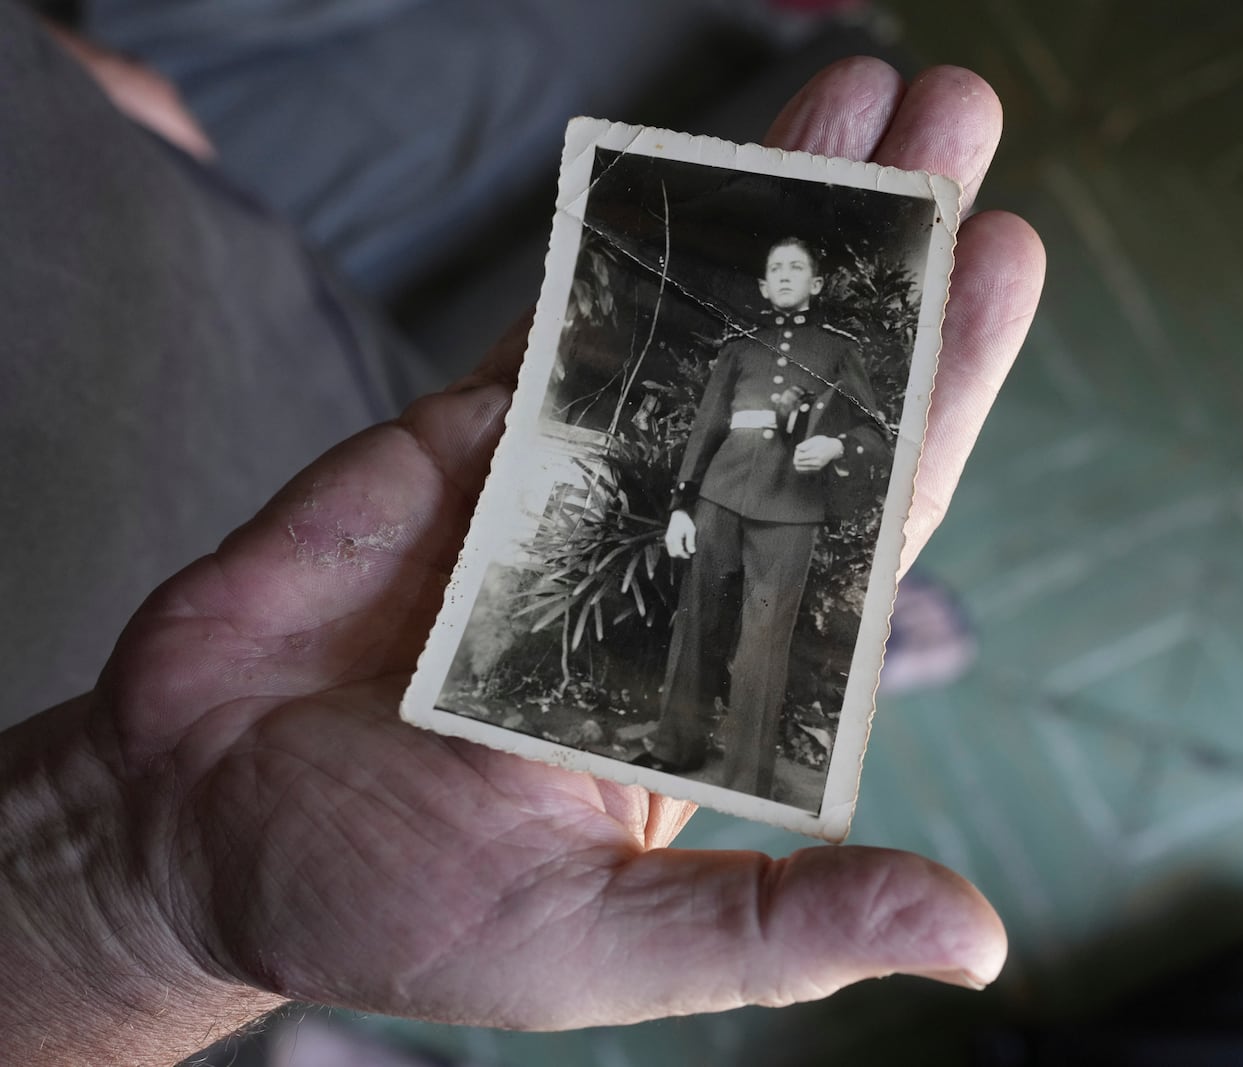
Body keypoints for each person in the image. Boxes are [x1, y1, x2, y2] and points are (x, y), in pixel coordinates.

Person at [0, 12, 1047, 1066]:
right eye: (777, 281)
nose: (782, 288)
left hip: (258, 299)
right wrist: (117, 894)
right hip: (319, 600)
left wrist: (68, 74)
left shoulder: (824, 351)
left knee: (638, 68)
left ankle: (812, 649)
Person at [642, 237, 889, 798]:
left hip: (791, 508)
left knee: (763, 642)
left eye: (796, 267)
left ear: (816, 284)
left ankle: (744, 779)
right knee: (696, 622)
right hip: (721, 494)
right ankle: (675, 748)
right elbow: (706, 427)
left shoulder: (836, 350)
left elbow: (877, 433)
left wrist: (835, 449)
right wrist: (682, 506)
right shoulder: (740, 347)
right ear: (762, 284)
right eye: (774, 267)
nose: (783, 275)